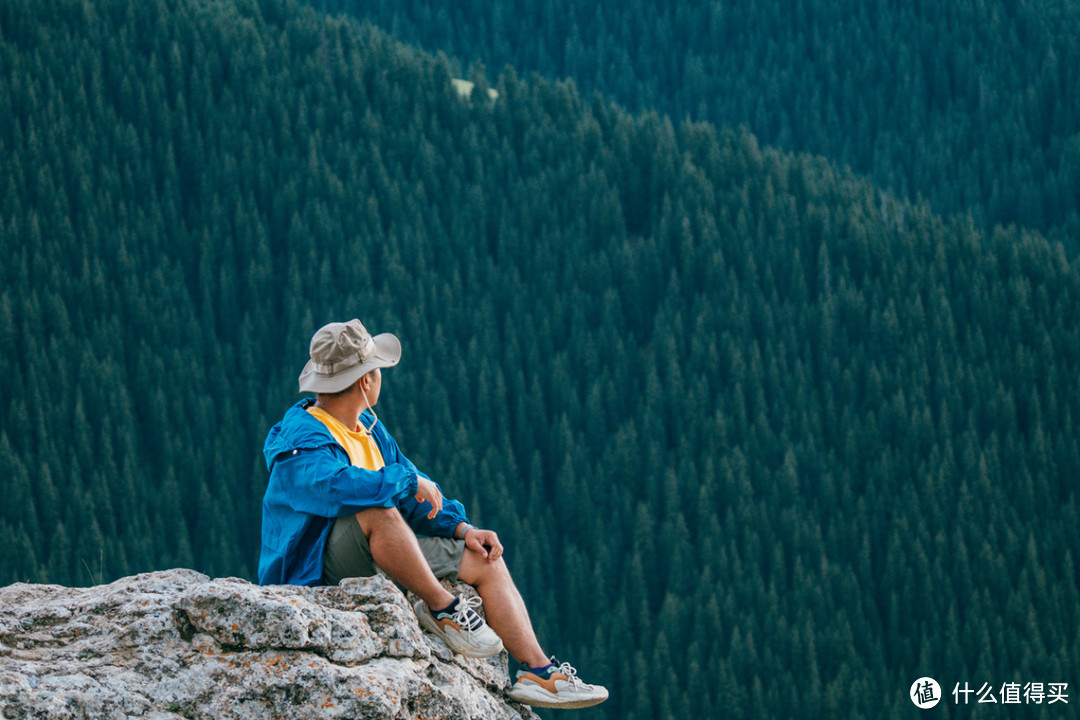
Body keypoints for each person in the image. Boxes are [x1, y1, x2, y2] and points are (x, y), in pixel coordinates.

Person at [258, 319, 608, 709]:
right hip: (311, 572)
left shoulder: (367, 427)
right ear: (365, 382)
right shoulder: (300, 438)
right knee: (379, 509)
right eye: (376, 369)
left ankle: (539, 673)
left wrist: (461, 528)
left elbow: (415, 494)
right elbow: (332, 488)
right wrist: (405, 481)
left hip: (372, 552)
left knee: (482, 558)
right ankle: (442, 608)